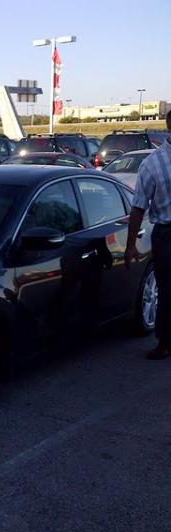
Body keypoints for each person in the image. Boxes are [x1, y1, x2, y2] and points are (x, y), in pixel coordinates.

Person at [125, 110, 171, 359]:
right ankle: (165, 342)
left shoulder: (153, 163)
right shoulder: (152, 164)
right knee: (167, 290)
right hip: (167, 235)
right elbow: (138, 206)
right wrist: (131, 244)